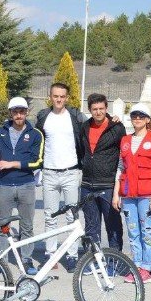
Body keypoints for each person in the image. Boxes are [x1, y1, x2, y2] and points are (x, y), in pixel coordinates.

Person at [0, 96, 43, 273]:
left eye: (22, 111)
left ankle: (26, 260)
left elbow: (38, 162)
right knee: (3, 226)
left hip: (26, 185)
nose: (19, 115)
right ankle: (0, 261)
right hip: (4, 185)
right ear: (10, 113)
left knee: (27, 225)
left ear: (27, 112)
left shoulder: (35, 134)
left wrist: (12, 164)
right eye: (15, 112)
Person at [35, 82, 88, 272]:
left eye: (62, 96)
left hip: (71, 172)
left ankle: (72, 256)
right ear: (50, 97)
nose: (58, 99)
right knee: (50, 216)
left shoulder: (75, 116)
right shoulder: (43, 117)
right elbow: (35, 138)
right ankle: (51, 255)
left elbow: (93, 127)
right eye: (55, 96)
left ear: (67, 98)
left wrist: (111, 118)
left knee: (72, 216)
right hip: (49, 172)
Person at [113, 103, 151, 284]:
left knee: (148, 232)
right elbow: (120, 168)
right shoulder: (125, 141)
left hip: (147, 194)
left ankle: (147, 268)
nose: (137, 119)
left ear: (148, 120)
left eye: (141, 116)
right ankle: (136, 266)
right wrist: (115, 194)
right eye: (134, 115)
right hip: (128, 194)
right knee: (133, 232)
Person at [78, 93, 126, 253]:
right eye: (94, 109)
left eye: (101, 108)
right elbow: (81, 151)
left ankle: (115, 261)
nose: (98, 112)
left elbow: (123, 154)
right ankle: (91, 261)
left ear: (106, 108)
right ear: (89, 110)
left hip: (108, 184)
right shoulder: (84, 127)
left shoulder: (117, 128)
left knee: (113, 225)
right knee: (91, 225)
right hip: (87, 185)